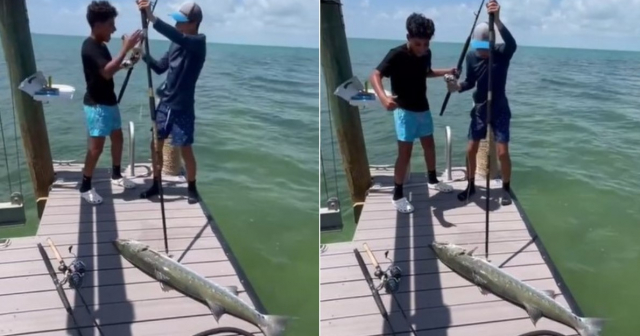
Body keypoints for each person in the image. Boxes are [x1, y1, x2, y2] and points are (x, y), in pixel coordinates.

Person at [370, 13, 456, 214]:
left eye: (426, 44)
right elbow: (375, 75)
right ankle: (398, 195)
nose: (422, 48)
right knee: (405, 154)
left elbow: (425, 72)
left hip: (423, 108)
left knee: (429, 146)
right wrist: (383, 98)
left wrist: (447, 71)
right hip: (404, 112)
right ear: (408, 37)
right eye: (418, 44)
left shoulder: (426, 53)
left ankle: (433, 179)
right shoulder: (396, 54)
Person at [445, 0, 516, 206]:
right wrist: (457, 87)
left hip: (500, 108)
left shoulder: (503, 53)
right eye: (479, 47)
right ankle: (471, 186)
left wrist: (499, 20)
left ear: (493, 43)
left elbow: (513, 44)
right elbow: (470, 81)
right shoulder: (471, 56)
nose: (482, 52)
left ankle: (505, 188)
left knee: (502, 152)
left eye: (486, 47)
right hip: (480, 109)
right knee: (470, 149)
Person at [135, 1, 207, 204]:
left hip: (183, 107)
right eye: (175, 21)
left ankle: (192, 186)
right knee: (155, 145)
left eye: (180, 21)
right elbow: (159, 67)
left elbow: (180, 37)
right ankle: (155, 184)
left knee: (185, 148)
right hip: (165, 103)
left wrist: (151, 17)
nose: (176, 25)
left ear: (193, 23)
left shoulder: (198, 42)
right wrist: (141, 54)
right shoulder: (176, 42)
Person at [80, 0, 143, 205]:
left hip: (110, 102)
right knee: (96, 148)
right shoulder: (89, 46)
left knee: (118, 138)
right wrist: (124, 48)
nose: (114, 29)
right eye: (111, 25)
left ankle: (116, 175)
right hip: (97, 105)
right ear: (98, 25)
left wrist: (129, 61)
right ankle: (86, 186)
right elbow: (106, 73)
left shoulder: (101, 46)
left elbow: (110, 66)